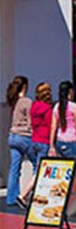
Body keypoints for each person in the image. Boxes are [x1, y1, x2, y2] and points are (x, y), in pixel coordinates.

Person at [17, 82, 53, 208]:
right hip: (44, 141)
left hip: (35, 140)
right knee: (40, 171)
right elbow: (50, 126)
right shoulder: (47, 109)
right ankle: (23, 195)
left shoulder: (34, 106)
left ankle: (36, 195)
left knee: (37, 169)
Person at [6, 76, 33, 209]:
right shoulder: (27, 101)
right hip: (24, 136)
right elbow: (30, 121)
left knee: (14, 168)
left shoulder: (13, 101)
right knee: (38, 164)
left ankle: (11, 198)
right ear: (25, 87)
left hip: (13, 136)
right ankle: (31, 194)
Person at [49, 81, 76, 159]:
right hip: (72, 140)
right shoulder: (74, 107)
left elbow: (53, 126)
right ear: (70, 91)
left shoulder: (56, 107)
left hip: (59, 140)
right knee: (74, 165)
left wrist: (51, 145)